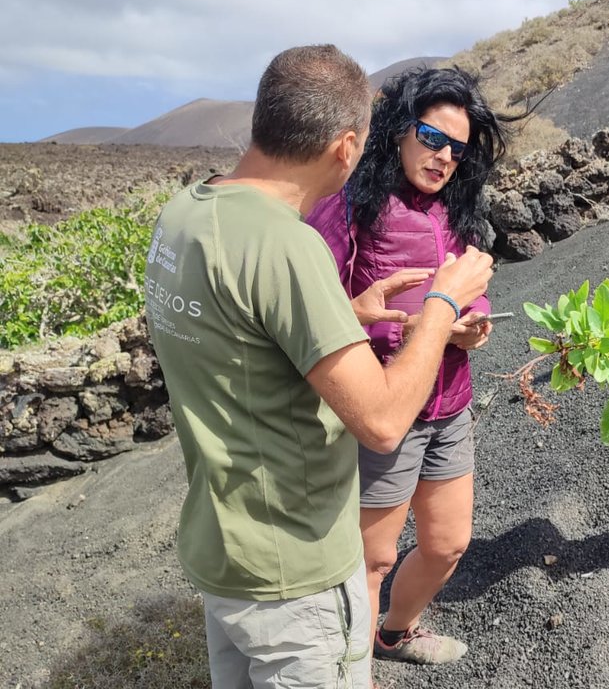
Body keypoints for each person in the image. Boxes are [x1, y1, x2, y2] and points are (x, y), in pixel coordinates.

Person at [144, 44, 493, 689]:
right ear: (348, 146)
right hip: (294, 567)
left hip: (227, 552)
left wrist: (350, 313)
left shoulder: (185, 215)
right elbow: (384, 422)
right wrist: (443, 304)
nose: (444, 155)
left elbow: (251, 336)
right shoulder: (287, 244)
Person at [306, 66, 512, 666]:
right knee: (372, 559)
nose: (444, 156)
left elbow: (467, 286)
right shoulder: (349, 206)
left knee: (448, 543)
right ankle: (353, 674)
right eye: (431, 136)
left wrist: (474, 322)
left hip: (450, 403)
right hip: (384, 406)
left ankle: (393, 632)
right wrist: (378, 322)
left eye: (457, 148)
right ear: (398, 130)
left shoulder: (455, 208)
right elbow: (309, 311)